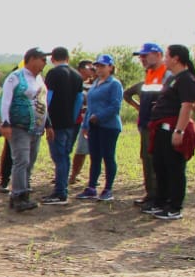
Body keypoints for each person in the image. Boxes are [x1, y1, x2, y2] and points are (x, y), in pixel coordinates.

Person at [143, 44, 195, 221]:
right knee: (160, 165)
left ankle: (175, 207)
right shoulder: (173, 78)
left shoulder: (187, 79)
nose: (165, 60)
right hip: (160, 129)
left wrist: (179, 131)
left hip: (173, 129)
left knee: (174, 168)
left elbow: (187, 106)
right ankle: (161, 202)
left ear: (176, 58)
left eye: (167, 56)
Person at [0, 48, 49, 212]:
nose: (45, 62)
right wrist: (5, 122)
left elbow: (42, 103)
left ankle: (24, 193)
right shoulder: (16, 77)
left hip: (36, 128)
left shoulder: (39, 79)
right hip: (19, 126)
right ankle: (18, 195)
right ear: (32, 59)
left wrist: (47, 124)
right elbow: (5, 100)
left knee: (30, 161)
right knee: (21, 160)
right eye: (43, 59)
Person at [124, 43, 170, 206]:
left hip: (159, 126)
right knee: (147, 159)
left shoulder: (167, 74)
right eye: (140, 56)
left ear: (158, 55)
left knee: (158, 161)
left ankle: (160, 197)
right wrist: (139, 109)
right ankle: (151, 195)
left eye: (145, 55)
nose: (142, 59)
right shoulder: (149, 74)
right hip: (145, 125)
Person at [39, 47, 84, 205]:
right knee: (64, 155)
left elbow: (47, 99)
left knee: (59, 157)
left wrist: (45, 121)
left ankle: (60, 192)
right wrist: (71, 119)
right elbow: (79, 100)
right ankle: (62, 188)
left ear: (53, 59)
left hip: (55, 123)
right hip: (70, 123)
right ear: (68, 58)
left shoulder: (53, 74)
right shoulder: (77, 75)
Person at [76, 54, 123, 202]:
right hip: (93, 125)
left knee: (108, 156)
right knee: (95, 157)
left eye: (103, 66)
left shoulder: (114, 84)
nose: (99, 69)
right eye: (97, 66)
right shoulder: (96, 83)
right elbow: (90, 106)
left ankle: (108, 188)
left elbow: (115, 106)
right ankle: (91, 187)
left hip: (109, 126)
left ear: (110, 67)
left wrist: (100, 116)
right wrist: (85, 124)